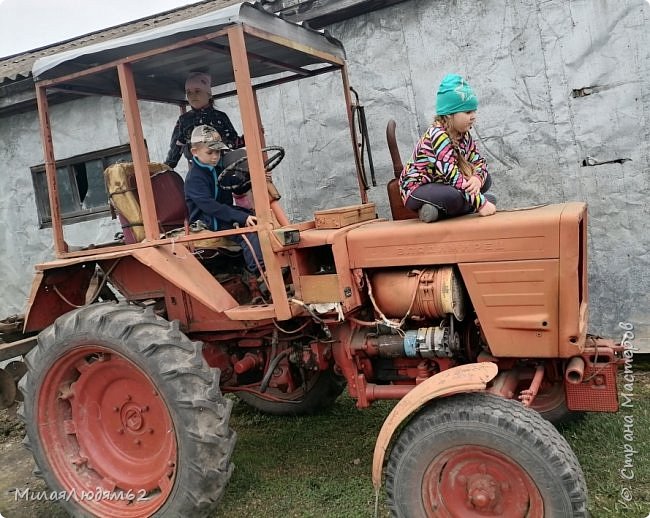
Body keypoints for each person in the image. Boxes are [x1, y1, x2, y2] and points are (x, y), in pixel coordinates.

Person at [399, 73, 496, 223]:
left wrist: (477, 179)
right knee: (452, 195)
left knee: (486, 180)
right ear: (450, 114)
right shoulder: (437, 135)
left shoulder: (464, 135)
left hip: (444, 183)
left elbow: (479, 161)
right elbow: (451, 175)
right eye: (468, 112)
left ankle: (436, 212)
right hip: (417, 188)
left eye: (474, 111)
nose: (473, 116)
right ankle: (469, 205)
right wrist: (481, 203)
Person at [185, 124, 264, 274]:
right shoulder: (194, 178)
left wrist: (251, 178)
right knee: (249, 232)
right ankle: (261, 272)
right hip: (208, 220)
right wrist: (241, 217)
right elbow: (210, 206)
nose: (215, 156)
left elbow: (232, 186)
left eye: (218, 152)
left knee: (261, 219)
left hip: (221, 214)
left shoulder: (216, 169)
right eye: (210, 152)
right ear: (195, 152)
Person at [165, 72, 244, 169]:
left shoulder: (220, 117)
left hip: (220, 165)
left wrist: (248, 138)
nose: (193, 95)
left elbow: (233, 141)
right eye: (189, 92)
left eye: (197, 91)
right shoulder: (184, 120)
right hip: (197, 167)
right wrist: (168, 167)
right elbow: (177, 146)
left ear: (209, 94)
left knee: (241, 156)